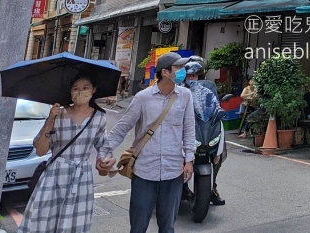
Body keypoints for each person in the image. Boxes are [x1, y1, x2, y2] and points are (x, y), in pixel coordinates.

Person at [97, 52, 195, 233]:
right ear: (165, 72)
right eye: (178, 68)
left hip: (173, 170)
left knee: (167, 225)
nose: (183, 71)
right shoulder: (143, 97)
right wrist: (103, 152)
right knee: (139, 224)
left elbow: (189, 129)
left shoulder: (185, 95)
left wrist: (189, 159)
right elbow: (122, 128)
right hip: (144, 171)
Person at [18, 74, 107, 233]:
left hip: (81, 178)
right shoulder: (59, 114)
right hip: (55, 175)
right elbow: (40, 150)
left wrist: (105, 160)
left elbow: (103, 146)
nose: (80, 92)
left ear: (93, 90)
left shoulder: (99, 117)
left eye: (85, 88)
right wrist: (50, 119)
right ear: (70, 92)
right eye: (75, 88)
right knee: (43, 221)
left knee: (74, 224)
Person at [182, 56, 225, 207]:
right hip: (186, 127)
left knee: (221, 153)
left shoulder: (207, 91)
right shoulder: (179, 90)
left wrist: (220, 111)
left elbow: (214, 105)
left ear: (200, 76)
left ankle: (212, 187)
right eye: (189, 75)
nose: (191, 78)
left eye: (194, 75)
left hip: (204, 126)